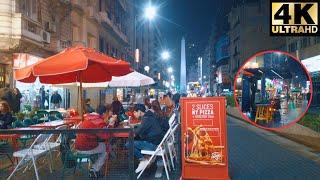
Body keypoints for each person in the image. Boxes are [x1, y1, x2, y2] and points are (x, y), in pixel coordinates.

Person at [132, 104, 163, 173]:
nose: (134, 114)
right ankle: (146, 158)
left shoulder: (146, 119)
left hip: (153, 145)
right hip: (157, 143)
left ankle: (143, 160)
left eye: (134, 112)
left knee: (129, 144)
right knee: (136, 141)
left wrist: (132, 130)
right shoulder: (149, 116)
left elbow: (135, 133)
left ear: (139, 111)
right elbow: (141, 129)